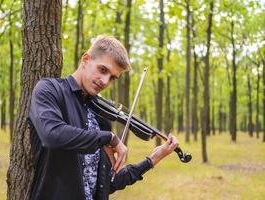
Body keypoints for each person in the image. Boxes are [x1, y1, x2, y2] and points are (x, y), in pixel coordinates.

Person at [28, 35, 179, 200]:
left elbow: (107, 183)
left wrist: (152, 160)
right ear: (85, 59)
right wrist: (110, 138)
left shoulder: (100, 115)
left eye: (113, 77)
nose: (105, 81)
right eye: (103, 70)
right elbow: (52, 135)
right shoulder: (50, 90)